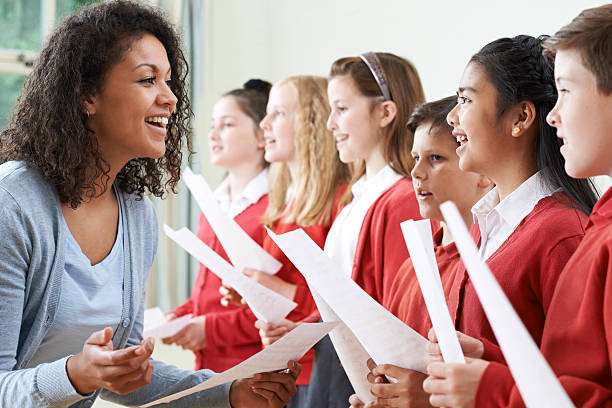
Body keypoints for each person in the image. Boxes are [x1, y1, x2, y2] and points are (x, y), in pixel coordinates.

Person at [0, 2, 299, 407]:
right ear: (88, 95)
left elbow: (128, 374)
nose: (170, 98)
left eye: (170, 82)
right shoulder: (12, 204)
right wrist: (76, 375)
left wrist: (231, 391)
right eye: (148, 80)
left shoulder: (136, 213)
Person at [424, 5, 612, 407]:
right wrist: (483, 364)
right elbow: (557, 368)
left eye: (466, 99)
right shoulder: (486, 223)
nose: (453, 117)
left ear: (520, 117)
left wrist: (495, 387)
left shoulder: (562, 233)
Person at [256, 52, 428, 407]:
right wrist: (303, 328)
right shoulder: (358, 198)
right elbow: (345, 301)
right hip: (337, 366)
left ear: (385, 112)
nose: (331, 123)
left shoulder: (399, 198)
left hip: (363, 374)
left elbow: (396, 315)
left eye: (342, 109)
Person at [348, 96, 493, 408]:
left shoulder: (489, 260)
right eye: (415, 158)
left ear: (481, 171)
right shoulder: (413, 264)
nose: (416, 172)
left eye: (436, 158)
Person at [222, 75, 351, 407]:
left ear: (310, 123)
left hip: (323, 369)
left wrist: (272, 288)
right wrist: (252, 292)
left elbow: (347, 301)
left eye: (278, 113)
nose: (265, 124)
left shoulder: (340, 201)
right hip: (284, 369)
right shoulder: (284, 203)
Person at [162, 79, 272, 373]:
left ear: (263, 135)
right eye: (212, 125)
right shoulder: (212, 205)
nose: (212, 134)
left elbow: (281, 307)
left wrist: (209, 330)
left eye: (227, 125)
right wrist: (182, 315)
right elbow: (208, 291)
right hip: (208, 369)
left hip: (252, 371)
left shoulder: (275, 208)